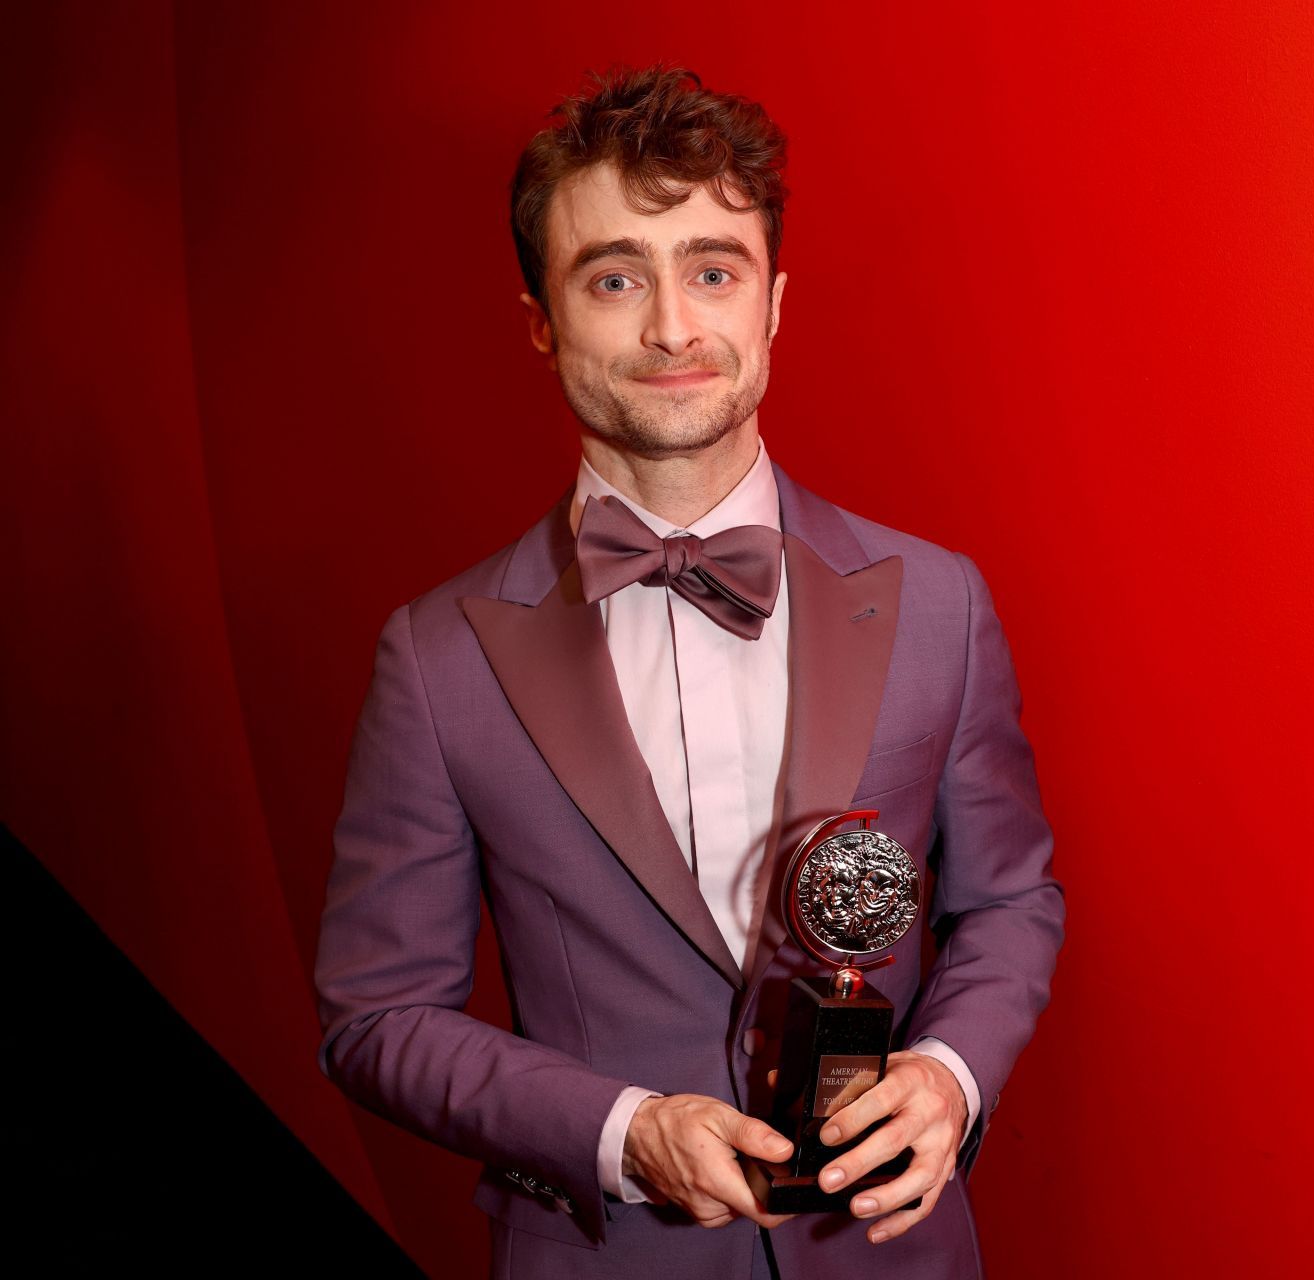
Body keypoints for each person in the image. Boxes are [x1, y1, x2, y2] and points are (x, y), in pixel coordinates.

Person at [311, 63, 1065, 1280]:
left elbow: (1012, 901)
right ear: (542, 319)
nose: (672, 325)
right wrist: (621, 1129)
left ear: (773, 304)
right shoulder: (437, 655)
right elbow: (377, 1016)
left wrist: (949, 1070)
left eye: (713, 269)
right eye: (615, 277)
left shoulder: (940, 604)